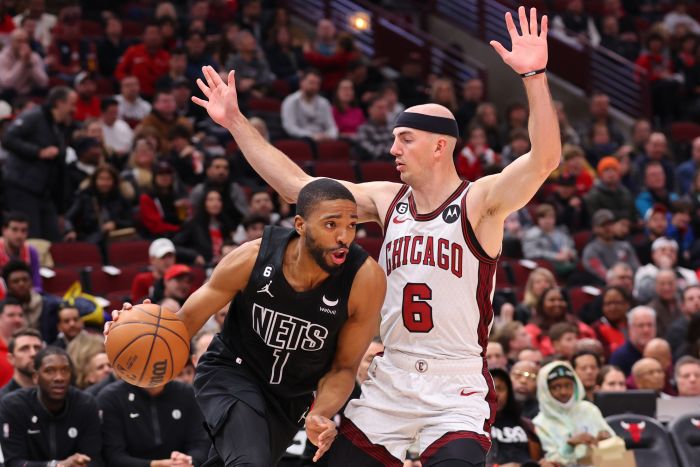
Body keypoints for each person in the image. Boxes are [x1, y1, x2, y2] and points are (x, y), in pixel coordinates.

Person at [192, 7, 560, 464]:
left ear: (440, 145)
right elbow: (300, 189)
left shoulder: (479, 202)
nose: (393, 149)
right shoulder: (387, 200)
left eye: (405, 138)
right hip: (391, 377)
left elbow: (544, 160)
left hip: (455, 384)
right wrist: (235, 123)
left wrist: (535, 77)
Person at [108, 179, 387, 465]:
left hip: (290, 399)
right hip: (232, 372)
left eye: (352, 225)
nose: (344, 236)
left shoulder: (364, 280)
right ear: (301, 225)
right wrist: (136, 328)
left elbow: (343, 368)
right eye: (331, 225)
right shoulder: (253, 258)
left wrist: (320, 412)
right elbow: (185, 321)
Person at [0, 346, 103, 467]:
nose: (59, 377)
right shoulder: (14, 405)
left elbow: (94, 459)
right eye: (49, 371)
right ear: (35, 377)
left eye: (65, 370)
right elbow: (13, 462)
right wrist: (57, 465)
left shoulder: (86, 404)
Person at [2, 86, 76, 240]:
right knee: (32, 238)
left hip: (45, 192)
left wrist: (61, 210)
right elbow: (8, 139)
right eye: (71, 104)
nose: (74, 109)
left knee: (53, 238)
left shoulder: (60, 126)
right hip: (23, 187)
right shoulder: (35, 116)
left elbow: (60, 170)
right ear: (59, 103)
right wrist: (38, 152)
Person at [98, 379, 210, 466]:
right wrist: (156, 465)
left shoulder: (187, 393)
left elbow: (200, 444)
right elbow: (113, 456)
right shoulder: (111, 397)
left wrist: (189, 461)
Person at [533, 361, 613, 465]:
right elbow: (550, 462)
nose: (563, 392)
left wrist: (605, 440)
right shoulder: (540, 423)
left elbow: (614, 445)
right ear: (545, 390)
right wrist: (569, 445)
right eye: (556, 387)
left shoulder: (589, 409)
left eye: (568, 385)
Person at [487, 368, 544, 467]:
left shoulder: (526, 425)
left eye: (500, 389)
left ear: (509, 392)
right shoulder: (471, 426)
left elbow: (539, 457)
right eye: (490, 389)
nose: (496, 394)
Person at [0, 212, 42, 291]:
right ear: (4, 230)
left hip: (26, 297)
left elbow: (37, 285)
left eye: (23, 230)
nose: (19, 235)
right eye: (14, 230)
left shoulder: (31, 251)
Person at [1, 328, 43, 395]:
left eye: (37, 348)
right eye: (24, 348)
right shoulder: (3, 400)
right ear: (11, 359)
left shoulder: (53, 394)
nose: (33, 353)